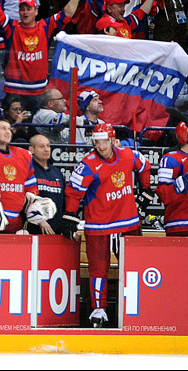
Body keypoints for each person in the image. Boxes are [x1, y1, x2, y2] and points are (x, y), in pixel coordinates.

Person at [61, 123, 153, 328]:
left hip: (128, 223)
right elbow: (73, 191)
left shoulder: (128, 155)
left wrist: (146, 189)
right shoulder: (88, 164)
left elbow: (144, 165)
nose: (100, 146)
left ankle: (137, 305)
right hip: (99, 226)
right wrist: (70, 214)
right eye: (97, 142)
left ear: (112, 140)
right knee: (98, 270)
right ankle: (98, 310)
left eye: (104, 141)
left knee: (133, 268)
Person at [0, 0, 82, 110]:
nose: (25, 12)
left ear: (36, 11)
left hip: (38, 91)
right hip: (14, 90)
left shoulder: (45, 27)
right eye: (22, 9)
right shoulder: (12, 28)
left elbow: (66, 15)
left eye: (28, 9)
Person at [0, 118, 38, 233]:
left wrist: (34, 205)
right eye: (3, 128)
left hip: (16, 224)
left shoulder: (24, 155)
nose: (8, 132)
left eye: (9, 129)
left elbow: (31, 187)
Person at [27, 134, 64, 234]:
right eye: (41, 146)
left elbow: (63, 201)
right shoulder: (28, 170)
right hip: (33, 229)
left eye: (48, 146)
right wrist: (39, 219)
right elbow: (25, 198)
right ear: (32, 149)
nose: (46, 149)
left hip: (56, 230)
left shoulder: (57, 172)